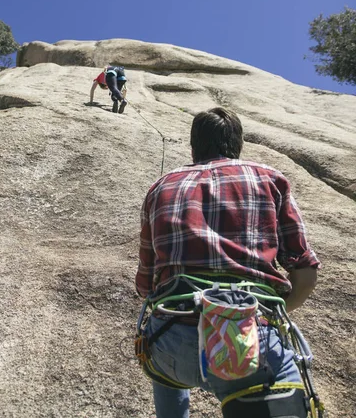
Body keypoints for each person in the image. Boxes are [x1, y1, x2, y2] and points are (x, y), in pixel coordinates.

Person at [135, 107, 320, 418]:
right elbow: (304, 269)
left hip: (171, 345)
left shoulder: (160, 187)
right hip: (250, 339)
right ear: (238, 144)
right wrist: (274, 312)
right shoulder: (270, 178)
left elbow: (146, 285)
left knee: (164, 351)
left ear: (194, 147)